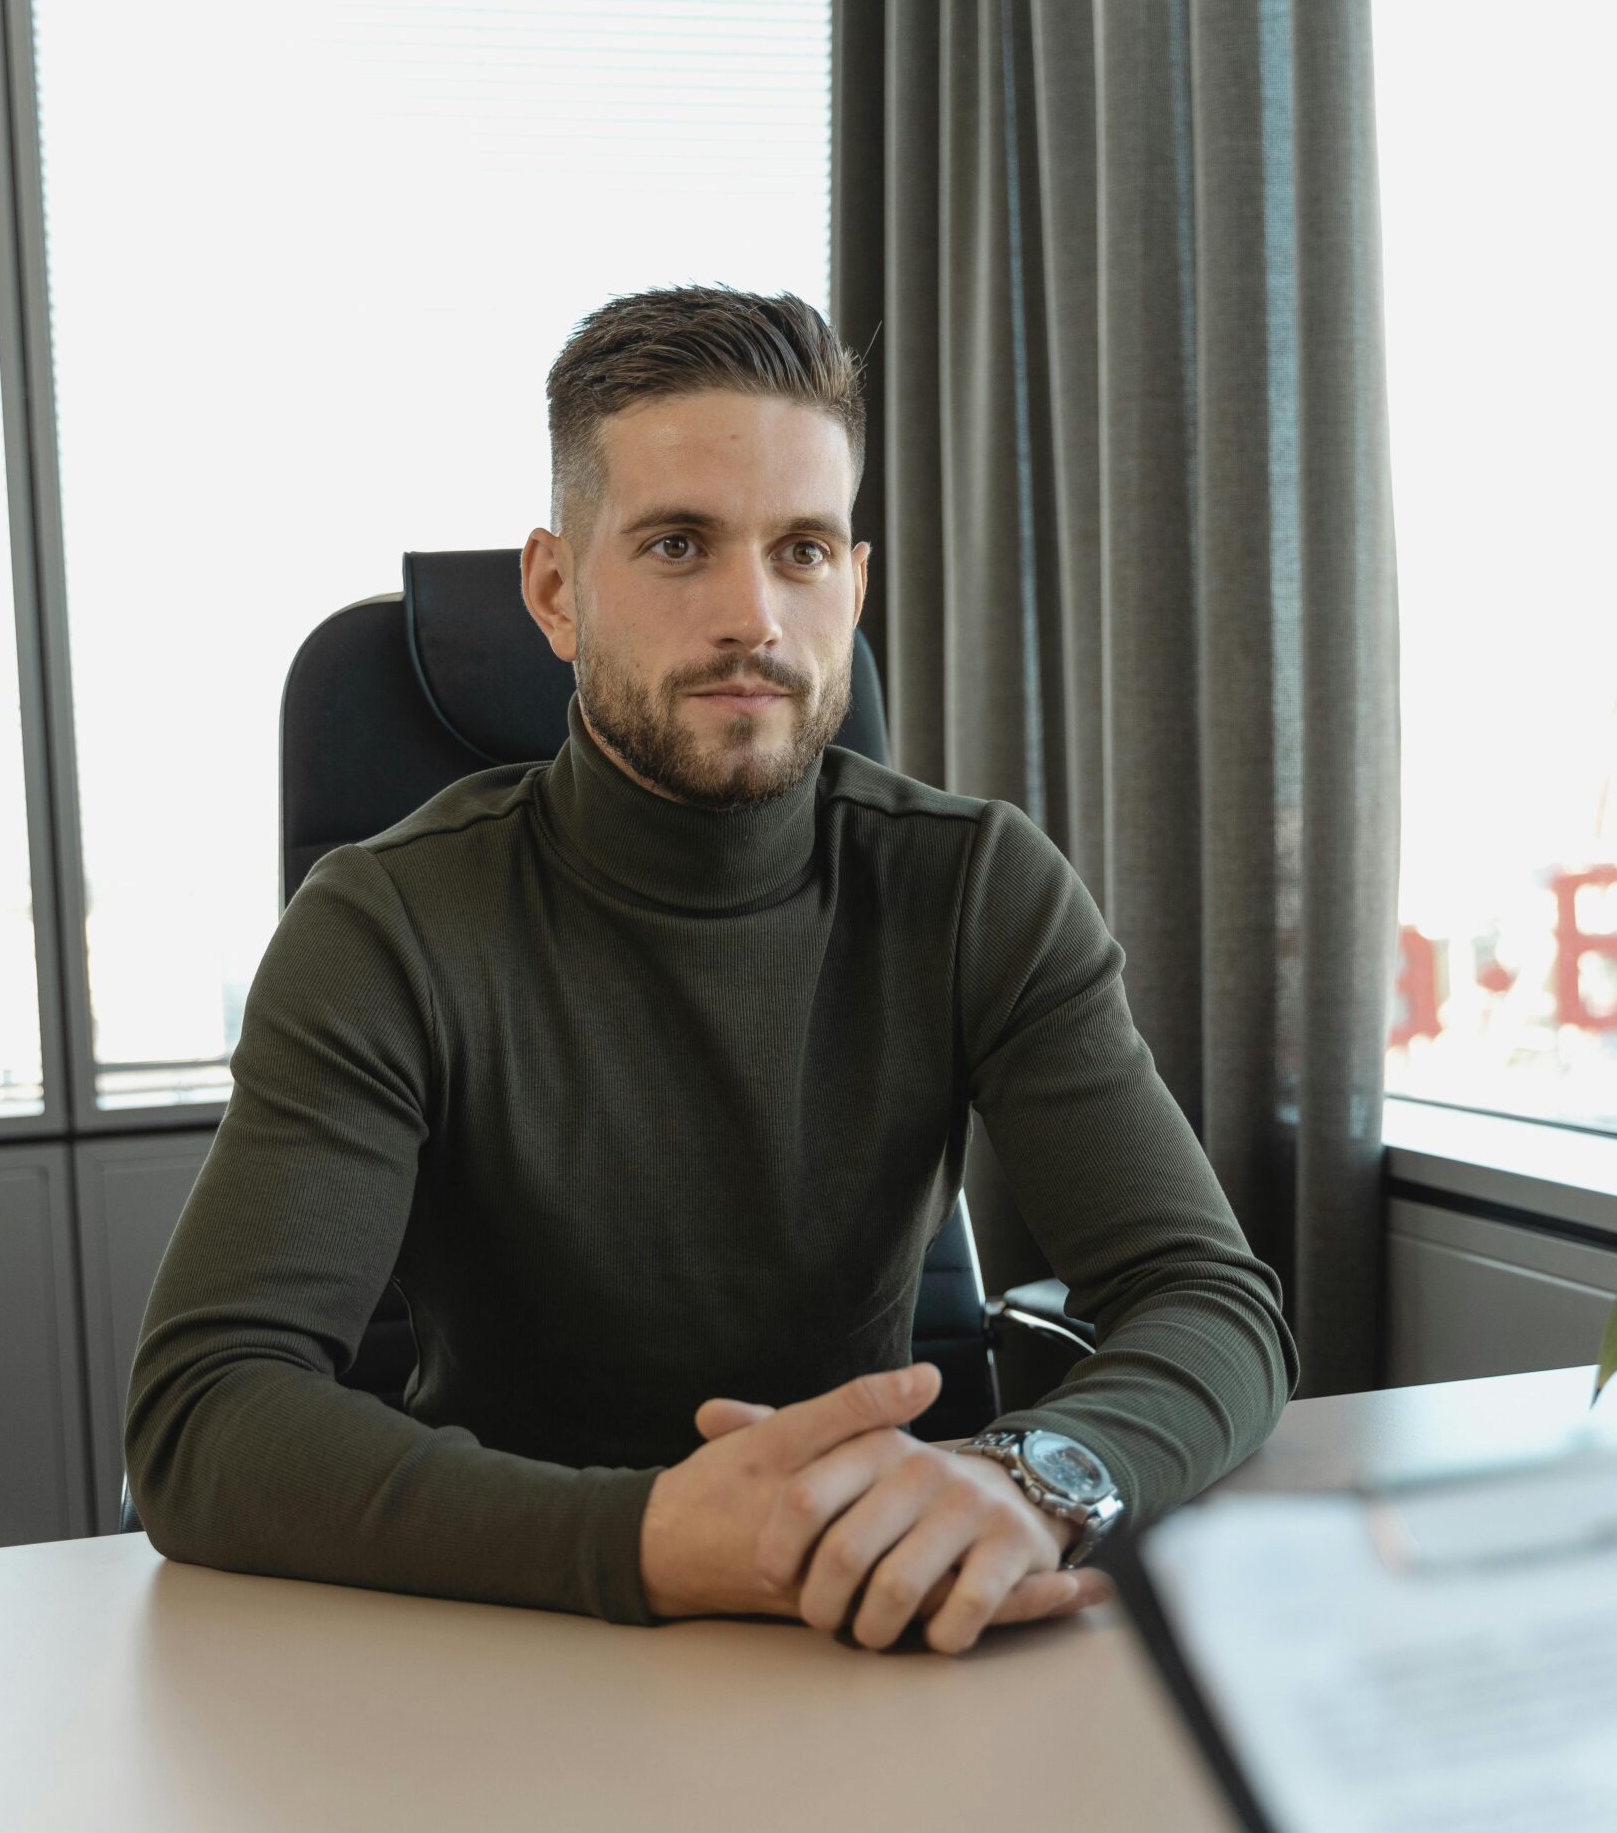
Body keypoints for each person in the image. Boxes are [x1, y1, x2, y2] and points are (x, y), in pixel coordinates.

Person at [125, 284, 1297, 1656]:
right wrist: (647, 1540)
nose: (753, 615)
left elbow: (1214, 1302)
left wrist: (1029, 1476)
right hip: (500, 1639)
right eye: (680, 545)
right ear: (557, 591)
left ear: (853, 583)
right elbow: (202, 1412)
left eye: (802, 551)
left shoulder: (976, 887)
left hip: (876, 1618)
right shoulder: (387, 923)